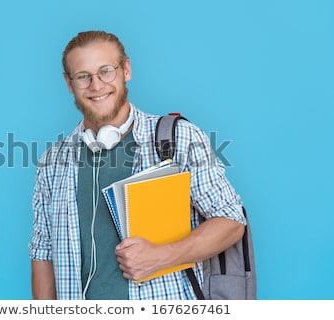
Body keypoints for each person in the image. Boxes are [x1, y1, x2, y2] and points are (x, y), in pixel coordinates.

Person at [28, 30, 246, 300]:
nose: (96, 86)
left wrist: (161, 257)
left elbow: (231, 220)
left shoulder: (179, 138)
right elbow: (43, 252)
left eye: (106, 71)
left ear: (126, 70)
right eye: (83, 76)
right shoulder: (53, 162)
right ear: (69, 84)